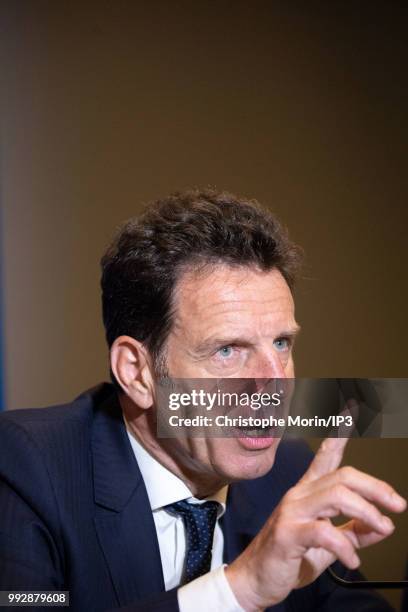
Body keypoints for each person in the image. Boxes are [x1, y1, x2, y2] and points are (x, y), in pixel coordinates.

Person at [0, 189, 405, 612]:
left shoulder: (286, 472)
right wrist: (239, 589)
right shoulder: (29, 468)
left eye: (282, 343)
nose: (275, 384)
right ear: (137, 372)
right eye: (228, 350)